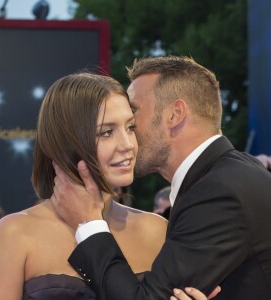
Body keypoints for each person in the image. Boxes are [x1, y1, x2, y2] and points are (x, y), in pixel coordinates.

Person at [50, 56, 271, 300]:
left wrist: (89, 223)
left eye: (133, 113)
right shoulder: (233, 174)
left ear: (175, 115)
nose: (128, 133)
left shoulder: (218, 192)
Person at [0, 73, 214, 300]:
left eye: (130, 127)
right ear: (67, 143)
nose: (128, 145)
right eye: (107, 132)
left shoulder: (155, 230)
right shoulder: (14, 235)